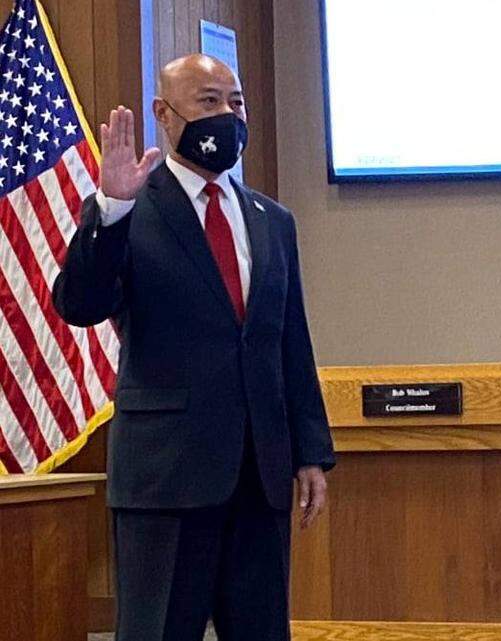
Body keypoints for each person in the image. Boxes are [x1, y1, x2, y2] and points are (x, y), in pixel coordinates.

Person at [53, 54, 335, 641]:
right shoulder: (131, 209)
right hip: (165, 479)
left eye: (235, 103)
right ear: (164, 113)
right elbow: (80, 304)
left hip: (259, 478)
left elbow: (289, 341)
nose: (227, 116)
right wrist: (111, 210)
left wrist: (310, 451)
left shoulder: (271, 220)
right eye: (208, 102)